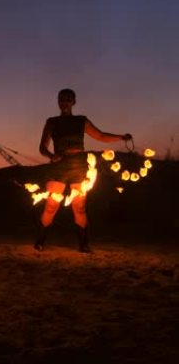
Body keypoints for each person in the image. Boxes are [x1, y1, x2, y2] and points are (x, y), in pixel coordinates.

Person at [35, 88, 132, 253]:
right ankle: (40, 240)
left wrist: (120, 137)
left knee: (79, 207)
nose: (64, 102)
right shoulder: (52, 122)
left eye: (68, 99)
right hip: (59, 165)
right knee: (51, 205)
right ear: (58, 102)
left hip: (78, 165)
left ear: (74, 102)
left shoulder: (81, 120)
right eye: (61, 99)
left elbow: (100, 136)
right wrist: (52, 156)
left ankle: (84, 244)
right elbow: (42, 148)